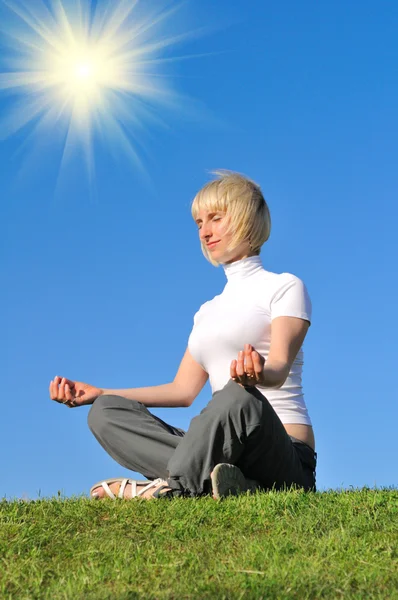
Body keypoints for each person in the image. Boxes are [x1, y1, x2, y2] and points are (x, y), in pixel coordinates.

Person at [49, 170, 317, 500]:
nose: (205, 231)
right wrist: (101, 392)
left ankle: (171, 487)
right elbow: (183, 390)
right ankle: (226, 484)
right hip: (221, 451)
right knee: (106, 412)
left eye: (215, 218)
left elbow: (278, 368)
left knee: (238, 396)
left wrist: (258, 373)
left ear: (247, 218)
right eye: (199, 223)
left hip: (282, 452)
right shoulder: (207, 311)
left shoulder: (285, 287)